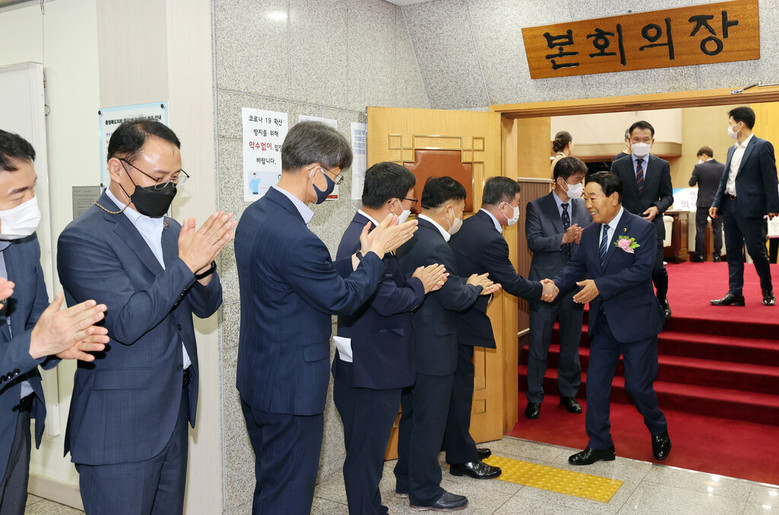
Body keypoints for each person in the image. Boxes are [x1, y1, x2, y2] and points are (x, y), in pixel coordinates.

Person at [234, 121, 417, 514]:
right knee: (290, 496)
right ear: (314, 171)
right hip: (291, 389)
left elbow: (302, 277)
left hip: (258, 378)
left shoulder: (256, 215)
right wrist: (376, 254)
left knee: (273, 484)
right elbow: (343, 300)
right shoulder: (298, 236)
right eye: (335, 176)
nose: (334, 186)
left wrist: (355, 260)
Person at [57, 120, 232, 514]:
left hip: (172, 411)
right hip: (120, 426)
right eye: (157, 178)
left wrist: (203, 268)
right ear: (117, 168)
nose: (167, 188)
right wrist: (186, 265)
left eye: (175, 178)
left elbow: (205, 307)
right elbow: (126, 322)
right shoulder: (84, 236)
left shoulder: (171, 230)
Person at [0, 130, 110, 514]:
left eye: (33, 188)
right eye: (18, 194)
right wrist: (35, 345)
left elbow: (35, 319)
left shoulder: (23, 242)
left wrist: (57, 342)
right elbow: (31, 342)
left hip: (17, 412)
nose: (31, 203)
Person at [333, 162, 446, 515]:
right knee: (366, 453)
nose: (413, 209)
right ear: (394, 203)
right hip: (372, 367)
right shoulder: (366, 239)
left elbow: (382, 289)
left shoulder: (368, 231)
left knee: (367, 450)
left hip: (370, 362)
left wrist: (410, 281)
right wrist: (420, 285)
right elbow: (387, 301)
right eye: (411, 201)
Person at [394, 176, 499, 511]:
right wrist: (475, 287)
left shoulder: (410, 234)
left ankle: (405, 479)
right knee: (430, 422)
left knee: (413, 416)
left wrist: (463, 282)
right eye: (462, 213)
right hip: (435, 347)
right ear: (450, 209)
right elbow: (454, 298)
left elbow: (440, 285)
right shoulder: (437, 245)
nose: (461, 219)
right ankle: (425, 491)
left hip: (412, 342)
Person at [552, 172, 670, 466]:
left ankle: (658, 429)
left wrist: (599, 286)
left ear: (614, 198)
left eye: (593, 197)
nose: (588, 204)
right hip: (604, 323)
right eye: (586, 198)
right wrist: (554, 285)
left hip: (637, 322)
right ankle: (600, 443)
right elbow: (576, 267)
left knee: (637, 387)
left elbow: (641, 271)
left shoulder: (642, 229)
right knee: (595, 386)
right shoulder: (590, 233)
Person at [443, 176, 556, 478]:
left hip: (452, 317)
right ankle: (461, 458)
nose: (517, 211)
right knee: (461, 389)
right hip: (461, 320)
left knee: (456, 388)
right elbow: (512, 282)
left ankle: (459, 443)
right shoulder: (491, 237)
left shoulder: (468, 224)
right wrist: (542, 289)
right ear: (504, 205)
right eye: (516, 204)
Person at [524, 158, 592, 420]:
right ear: (561, 181)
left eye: (582, 180)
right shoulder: (536, 206)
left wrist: (584, 240)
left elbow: (592, 238)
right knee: (538, 345)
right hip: (545, 285)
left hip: (573, 285)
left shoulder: (583, 207)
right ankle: (534, 397)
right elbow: (534, 241)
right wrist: (562, 238)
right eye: (577, 181)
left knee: (571, 344)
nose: (580, 186)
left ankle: (568, 393)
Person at [710, 106, 779, 307]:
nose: (729, 127)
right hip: (729, 206)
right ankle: (735, 292)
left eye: (730, 123)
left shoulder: (762, 146)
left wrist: (773, 206)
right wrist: (716, 203)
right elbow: (725, 180)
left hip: (751, 207)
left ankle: (767, 289)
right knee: (732, 251)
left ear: (740, 124)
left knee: (756, 251)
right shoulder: (732, 149)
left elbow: (770, 179)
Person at [609, 120, 673, 321]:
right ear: (629, 140)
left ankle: (661, 299)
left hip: (652, 226)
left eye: (646, 139)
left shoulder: (662, 165)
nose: (641, 143)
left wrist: (657, 207)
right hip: (625, 227)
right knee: (627, 269)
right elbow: (612, 195)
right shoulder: (618, 165)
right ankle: (630, 304)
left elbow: (668, 196)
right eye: (637, 139)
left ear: (652, 141)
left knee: (657, 269)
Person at [688, 146, 725, 262]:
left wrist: (697, 171)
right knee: (717, 229)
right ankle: (717, 255)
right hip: (717, 203)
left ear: (703, 155)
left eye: (700, 157)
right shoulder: (723, 167)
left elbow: (691, 183)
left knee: (700, 229)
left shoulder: (699, 167)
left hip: (703, 203)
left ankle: (699, 255)